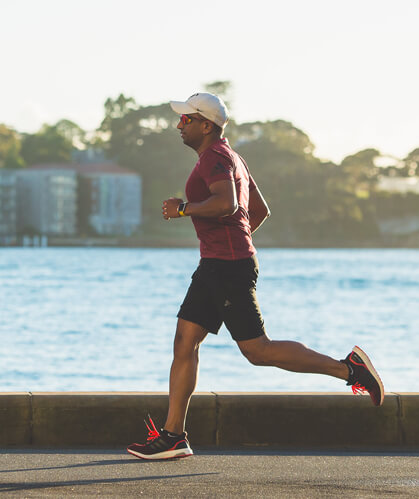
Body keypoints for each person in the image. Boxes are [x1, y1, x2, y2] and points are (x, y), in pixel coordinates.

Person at [126, 93, 384, 460]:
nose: (179, 125)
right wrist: (234, 240)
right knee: (185, 342)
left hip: (226, 268)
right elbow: (258, 210)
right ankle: (173, 436)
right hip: (219, 264)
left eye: (186, 119)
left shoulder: (216, 157)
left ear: (206, 125)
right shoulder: (232, 157)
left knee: (257, 350)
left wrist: (185, 209)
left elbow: (229, 204)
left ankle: (349, 369)